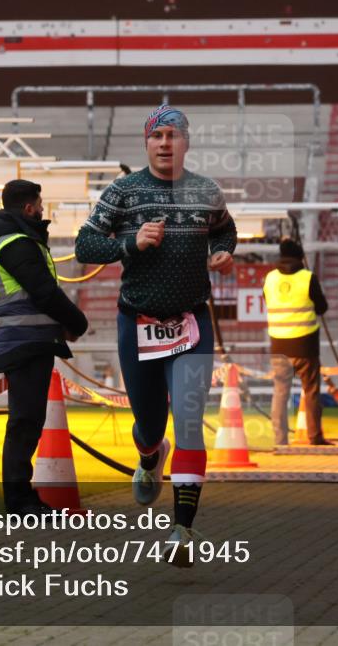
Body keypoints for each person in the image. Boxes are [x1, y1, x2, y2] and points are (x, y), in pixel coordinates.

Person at [74, 105, 236, 566]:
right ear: (147, 144)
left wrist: (223, 252)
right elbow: (84, 244)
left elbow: (227, 230)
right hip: (138, 323)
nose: (166, 143)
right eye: (157, 136)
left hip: (191, 323)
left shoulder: (205, 190)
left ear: (187, 143)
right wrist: (131, 243)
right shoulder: (124, 191)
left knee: (189, 424)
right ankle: (150, 455)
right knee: (150, 425)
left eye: (174, 135)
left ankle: (182, 530)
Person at [0, 179, 89, 516]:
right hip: (25, 342)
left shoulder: (9, 242)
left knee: (27, 421)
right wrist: (77, 322)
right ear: (28, 207)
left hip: (27, 341)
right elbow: (43, 292)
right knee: (25, 423)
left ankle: (22, 500)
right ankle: (19, 502)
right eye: (39, 205)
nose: (42, 211)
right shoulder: (17, 244)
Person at [264, 238, 331, 446]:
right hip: (305, 345)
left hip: (278, 345)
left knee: (280, 392)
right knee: (310, 391)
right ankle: (314, 436)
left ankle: (280, 439)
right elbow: (321, 308)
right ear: (301, 256)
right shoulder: (308, 277)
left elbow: (267, 301)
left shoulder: (270, 278)